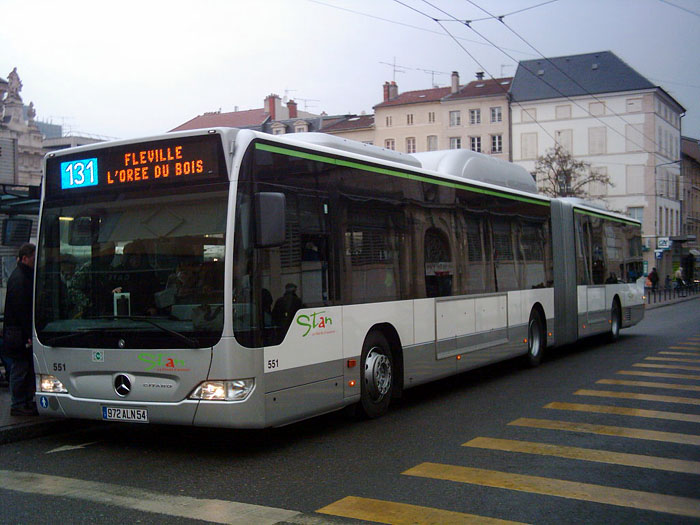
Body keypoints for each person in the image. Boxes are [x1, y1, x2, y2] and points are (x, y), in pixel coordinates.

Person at [2, 243, 38, 416]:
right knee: (20, 368)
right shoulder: (21, 279)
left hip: (17, 332)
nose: (36, 261)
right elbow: (21, 309)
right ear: (25, 258)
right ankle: (18, 403)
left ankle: (24, 401)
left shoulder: (20, 276)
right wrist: (28, 333)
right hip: (19, 334)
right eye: (33, 258)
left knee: (25, 368)